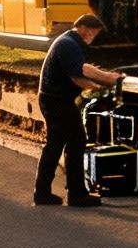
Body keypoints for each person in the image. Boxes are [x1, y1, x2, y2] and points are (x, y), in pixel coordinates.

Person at [34, 14, 122, 206]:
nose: (93, 38)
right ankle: (76, 194)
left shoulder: (68, 42)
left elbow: (83, 68)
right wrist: (102, 85)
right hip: (57, 101)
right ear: (85, 29)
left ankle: (44, 193)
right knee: (75, 142)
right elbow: (77, 77)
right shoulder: (68, 44)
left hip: (54, 99)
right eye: (94, 33)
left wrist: (103, 78)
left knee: (57, 145)